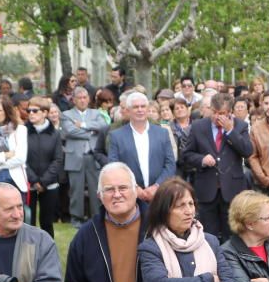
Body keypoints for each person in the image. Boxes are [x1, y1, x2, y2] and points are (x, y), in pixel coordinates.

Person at [180, 94, 252, 239]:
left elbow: (247, 151)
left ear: (230, 112)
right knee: (207, 235)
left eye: (222, 114)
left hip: (232, 190)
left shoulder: (240, 126)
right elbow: (185, 155)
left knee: (232, 235)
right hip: (207, 189)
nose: (216, 116)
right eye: (214, 112)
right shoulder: (198, 126)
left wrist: (231, 131)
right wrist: (201, 159)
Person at [108, 91, 177, 204]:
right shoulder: (116, 136)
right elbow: (114, 166)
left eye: (143, 106)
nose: (140, 110)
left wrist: (156, 186)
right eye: (135, 107)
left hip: (159, 195)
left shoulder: (162, 133)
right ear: (128, 111)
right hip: (130, 196)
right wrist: (134, 187)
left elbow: (170, 164)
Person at [61, 86, 107, 225]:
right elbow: (70, 131)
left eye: (85, 97)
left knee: (96, 189)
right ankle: (77, 218)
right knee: (76, 190)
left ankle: (96, 217)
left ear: (89, 99)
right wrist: (91, 132)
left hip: (93, 156)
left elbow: (103, 127)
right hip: (75, 156)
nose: (82, 100)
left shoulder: (96, 113)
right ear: (74, 100)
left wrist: (83, 124)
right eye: (79, 98)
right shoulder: (66, 114)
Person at [25, 97, 64, 237]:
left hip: (50, 184)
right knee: (28, 221)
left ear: (45, 113)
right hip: (29, 184)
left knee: (47, 222)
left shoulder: (55, 134)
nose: (31, 113)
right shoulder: (23, 132)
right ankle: (28, 253)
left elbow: (58, 159)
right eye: (28, 110)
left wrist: (43, 182)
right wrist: (34, 181)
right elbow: (22, 159)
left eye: (34, 111)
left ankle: (48, 253)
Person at [248, 90, 269, 193]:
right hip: (265, 185)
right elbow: (253, 157)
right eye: (266, 103)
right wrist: (265, 180)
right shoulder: (256, 128)